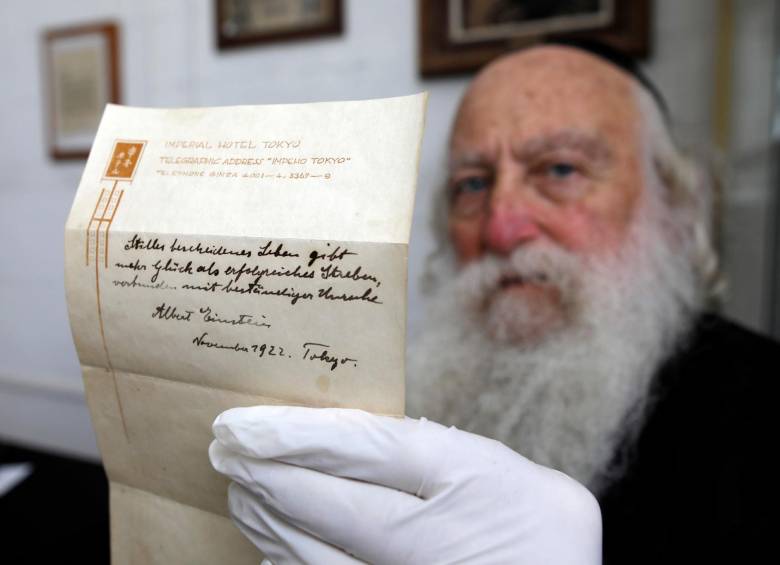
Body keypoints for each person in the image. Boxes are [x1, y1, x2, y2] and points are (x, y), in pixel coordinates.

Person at [210, 44, 778, 564]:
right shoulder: (405, 395)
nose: (502, 227)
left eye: (560, 169)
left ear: (675, 206)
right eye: (474, 184)